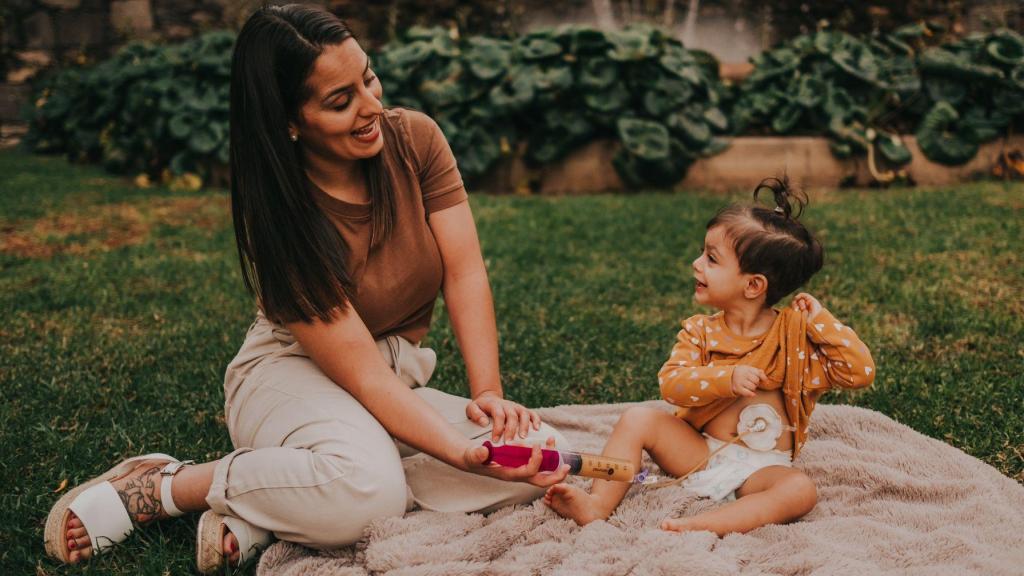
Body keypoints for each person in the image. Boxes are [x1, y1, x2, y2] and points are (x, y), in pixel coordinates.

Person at [43, 4, 570, 572]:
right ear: (290, 121)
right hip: (290, 376)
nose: (371, 108)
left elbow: (465, 272)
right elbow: (361, 376)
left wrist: (487, 394)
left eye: (367, 78)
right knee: (374, 492)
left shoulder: (415, 139)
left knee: (545, 455)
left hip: (391, 376)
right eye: (340, 102)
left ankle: (273, 505)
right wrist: (461, 452)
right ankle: (166, 485)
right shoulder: (282, 217)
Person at [544, 177, 874, 535]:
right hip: (699, 452)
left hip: (763, 468)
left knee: (799, 490)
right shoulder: (700, 331)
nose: (696, 263)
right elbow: (672, 385)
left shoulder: (793, 338)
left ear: (753, 285)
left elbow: (859, 372)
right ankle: (597, 504)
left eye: (711, 259)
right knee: (638, 418)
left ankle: (704, 524)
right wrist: (725, 379)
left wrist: (821, 321)